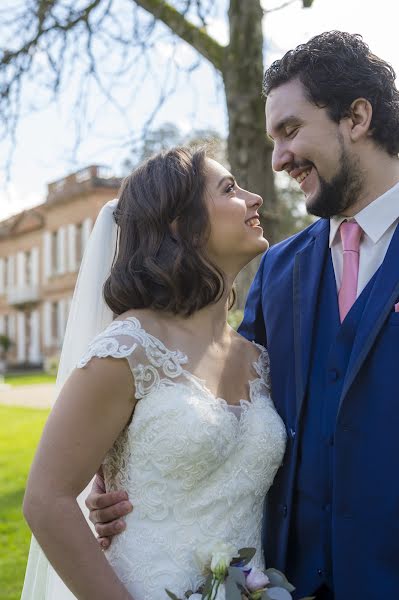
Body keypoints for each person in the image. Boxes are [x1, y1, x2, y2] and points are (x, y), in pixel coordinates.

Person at [87, 32, 399, 600]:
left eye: (290, 130)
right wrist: (115, 464)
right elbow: (218, 401)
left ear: (356, 116)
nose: (279, 160)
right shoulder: (279, 272)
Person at [21, 146, 287, 600]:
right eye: (229, 189)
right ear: (178, 222)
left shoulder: (259, 358)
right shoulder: (127, 347)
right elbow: (47, 501)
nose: (254, 197)